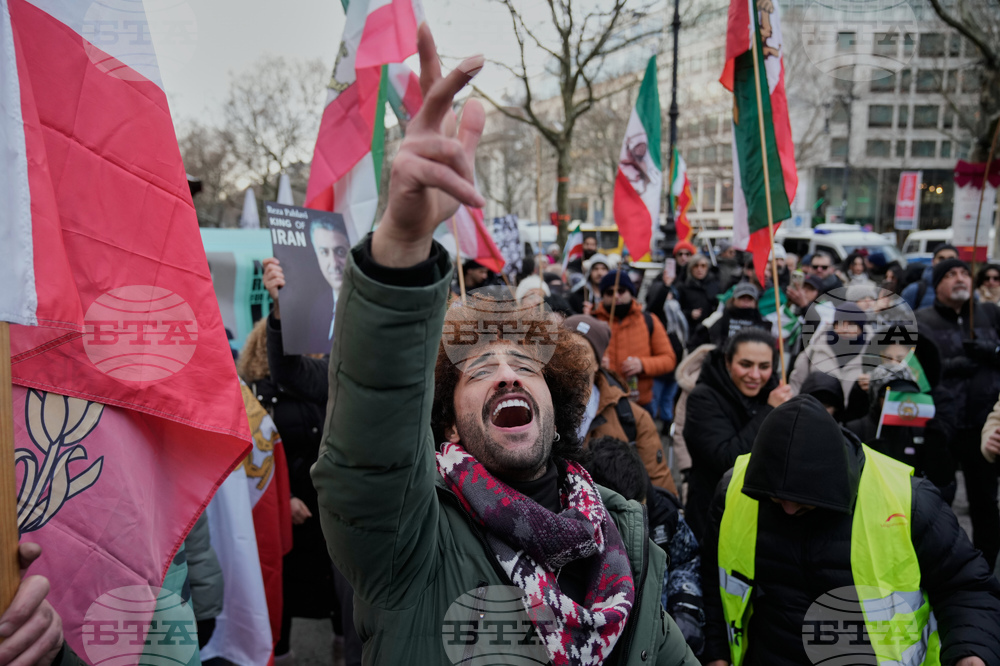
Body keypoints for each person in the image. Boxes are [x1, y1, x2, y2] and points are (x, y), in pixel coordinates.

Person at [311, 25, 697, 665]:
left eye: (526, 365)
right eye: (479, 370)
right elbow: (371, 439)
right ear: (448, 420)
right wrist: (403, 249)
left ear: (560, 397)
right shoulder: (409, 539)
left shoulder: (627, 535)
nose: (509, 377)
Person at [701, 395, 1000, 666]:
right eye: (777, 500)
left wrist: (971, 650)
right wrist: (716, 652)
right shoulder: (734, 490)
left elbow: (966, 586)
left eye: (802, 503)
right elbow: (714, 581)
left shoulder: (909, 501)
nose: (789, 510)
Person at [261, 258, 358, 664]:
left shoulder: (447, 379)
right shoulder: (347, 372)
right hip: (362, 532)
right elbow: (290, 371)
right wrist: (283, 311)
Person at [585, 435, 704, 656]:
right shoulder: (579, 529)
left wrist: (686, 608)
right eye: (623, 519)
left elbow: (686, 560)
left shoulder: (664, 515)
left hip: (666, 635)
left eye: (640, 509)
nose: (634, 525)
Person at [916, 257, 1000, 566]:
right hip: (940, 427)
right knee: (938, 500)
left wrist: (992, 353)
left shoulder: (990, 313)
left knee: (985, 503)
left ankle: (987, 568)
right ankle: (940, 567)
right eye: (951, 274)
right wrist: (950, 367)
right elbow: (909, 367)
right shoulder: (921, 320)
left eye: (965, 273)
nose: (960, 278)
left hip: (984, 427)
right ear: (937, 285)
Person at [683, 329, 793, 540]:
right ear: (727, 362)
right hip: (714, 515)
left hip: (761, 518)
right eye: (745, 364)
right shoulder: (703, 398)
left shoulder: (775, 394)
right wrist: (770, 412)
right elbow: (728, 460)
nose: (754, 375)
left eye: (764, 367)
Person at [563, 315, 676, 494]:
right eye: (564, 350)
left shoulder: (633, 418)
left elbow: (659, 487)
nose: (571, 358)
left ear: (597, 364)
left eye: (581, 351)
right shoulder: (540, 412)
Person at [594, 270, 678, 410]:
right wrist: (595, 364)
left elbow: (669, 359)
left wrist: (643, 364)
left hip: (640, 404)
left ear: (630, 292)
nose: (616, 296)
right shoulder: (593, 322)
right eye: (609, 292)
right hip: (602, 403)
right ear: (603, 296)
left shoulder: (649, 320)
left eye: (621, 291)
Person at [789, 301, 872, 423]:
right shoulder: (814, 350)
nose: (845, 328)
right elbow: (796, 385)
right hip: (814, 420)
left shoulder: (873, 356)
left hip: (855, 424)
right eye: (840, 323)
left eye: (851, 324)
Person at [686, 282, 771, 352]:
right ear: (734, 300)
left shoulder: (763, 323)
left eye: (750, 298)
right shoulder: (717, 318)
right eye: (742, 297)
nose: (746, 301)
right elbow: (694, 344)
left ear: (755, 303)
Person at [309, 215, 351, 348]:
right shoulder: (317, 308)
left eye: (340, 251)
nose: (333, 263)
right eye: (324, 252)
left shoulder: (370, 308)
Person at [901, 244, 959, 311]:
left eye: (951, 259)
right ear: (933, 261)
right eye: (941, 259)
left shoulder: (966, 290)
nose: (946, 263)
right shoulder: (914, 290)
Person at [677, 253, 721, 331]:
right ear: (691, 268)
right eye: (696, 266)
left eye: (703, 266)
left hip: (709, 329)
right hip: (690, 329)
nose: (699, 269)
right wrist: (690, 313)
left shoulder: (714, 285)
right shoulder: (683, 287)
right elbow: (678, 310)